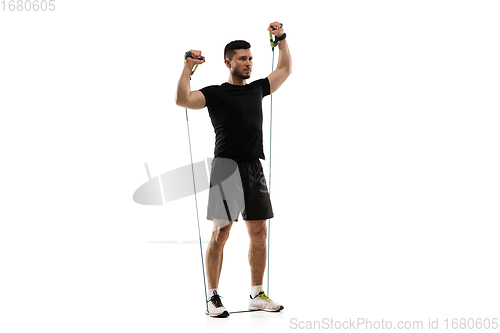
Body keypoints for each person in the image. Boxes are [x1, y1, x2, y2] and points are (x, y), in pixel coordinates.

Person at [176, 22, 291, 317]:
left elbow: (285, 70)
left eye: (250, 58)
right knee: (221, 232)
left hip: (253, 166)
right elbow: (183, 99)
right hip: (226, 167)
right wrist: (188, 67)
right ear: (228, 62)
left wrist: (280, 39)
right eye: (242, 59)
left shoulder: (257, 89)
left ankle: (256, 294)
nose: (248, 63)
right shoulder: (214, 93)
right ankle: (213, 297)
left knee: (260, 233)